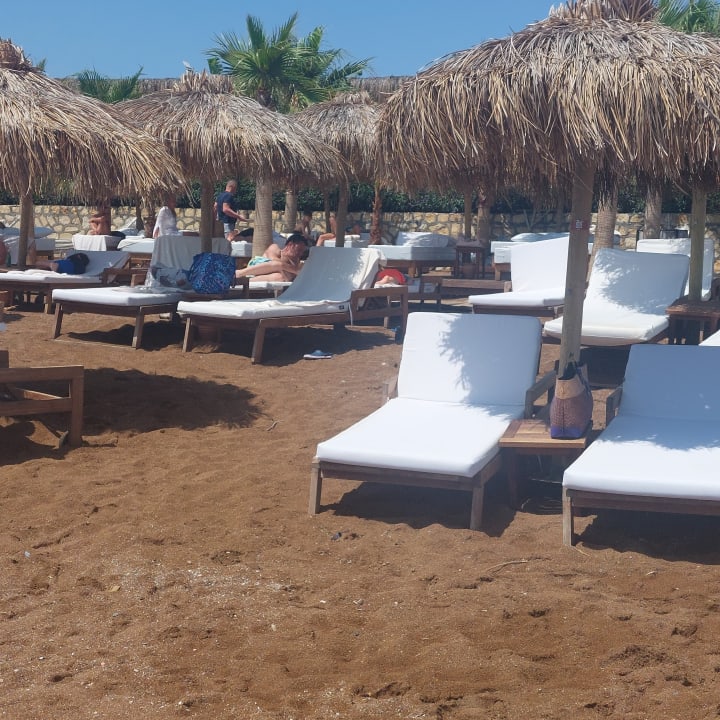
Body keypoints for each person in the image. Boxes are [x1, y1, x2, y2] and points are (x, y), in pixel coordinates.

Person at [235, 233, 308, 282]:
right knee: (278, 264)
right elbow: (274, 261)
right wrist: (293, 269)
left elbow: (292, 277)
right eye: (299, 250)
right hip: (256, 268)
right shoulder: (275, 248)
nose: (300, 254)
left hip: (262, 277)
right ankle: (239, 273)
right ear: (290, 245)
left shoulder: (296, 262)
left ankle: (245, 281)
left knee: (280, 277)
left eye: (302, 251)